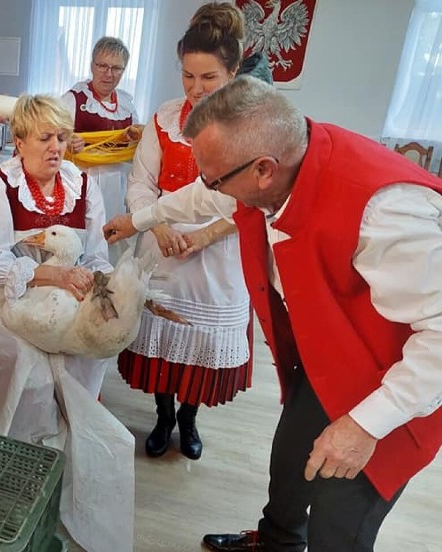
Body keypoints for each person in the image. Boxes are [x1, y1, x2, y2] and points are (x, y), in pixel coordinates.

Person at [103, 75, 442, 552]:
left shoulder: (385, 215)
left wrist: (365, 424)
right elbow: (203, 196)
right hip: (330, 362)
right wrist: (137, 220)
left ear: (263, 169)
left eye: (215, 175)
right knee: (289, 467)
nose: (209, 185)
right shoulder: (276, 159)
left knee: (338, 523)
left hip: (400, 388)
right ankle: (276, 543)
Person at [0, 95, 134, 551]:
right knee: (27, 360)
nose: (57, 147)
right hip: (5, 288)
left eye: (63, 137)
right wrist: (51, 274)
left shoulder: (84, 183)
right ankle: (17, 462)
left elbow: (94, 253)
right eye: (46, 137)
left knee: (82, 351)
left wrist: (93, 284)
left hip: (65, 286)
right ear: (21, 141)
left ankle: (65, 459)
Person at [119, 2, 271, 461]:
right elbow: (141, 184)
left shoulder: (249, 124)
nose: (196, 88)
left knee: (199, 345)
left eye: (208, 78)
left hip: (216, 253)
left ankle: (189, 417)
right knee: (161, 343)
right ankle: (164, 415)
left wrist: (204, 236)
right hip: (161, 247)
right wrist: (159, 225)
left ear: (232, 71)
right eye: (188, 76)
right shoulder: (164, 118)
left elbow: (252, 201)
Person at [61, 36, 140, 262]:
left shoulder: (126, 104)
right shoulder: (74, 99)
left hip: (118, 181)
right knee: (85, 236)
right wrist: (67, 140)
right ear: (92, 65)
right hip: (83, 180)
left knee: (113, 237)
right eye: (102, 66)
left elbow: (135, 143)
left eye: (116, 68)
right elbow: (51, 132)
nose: (108, 73)